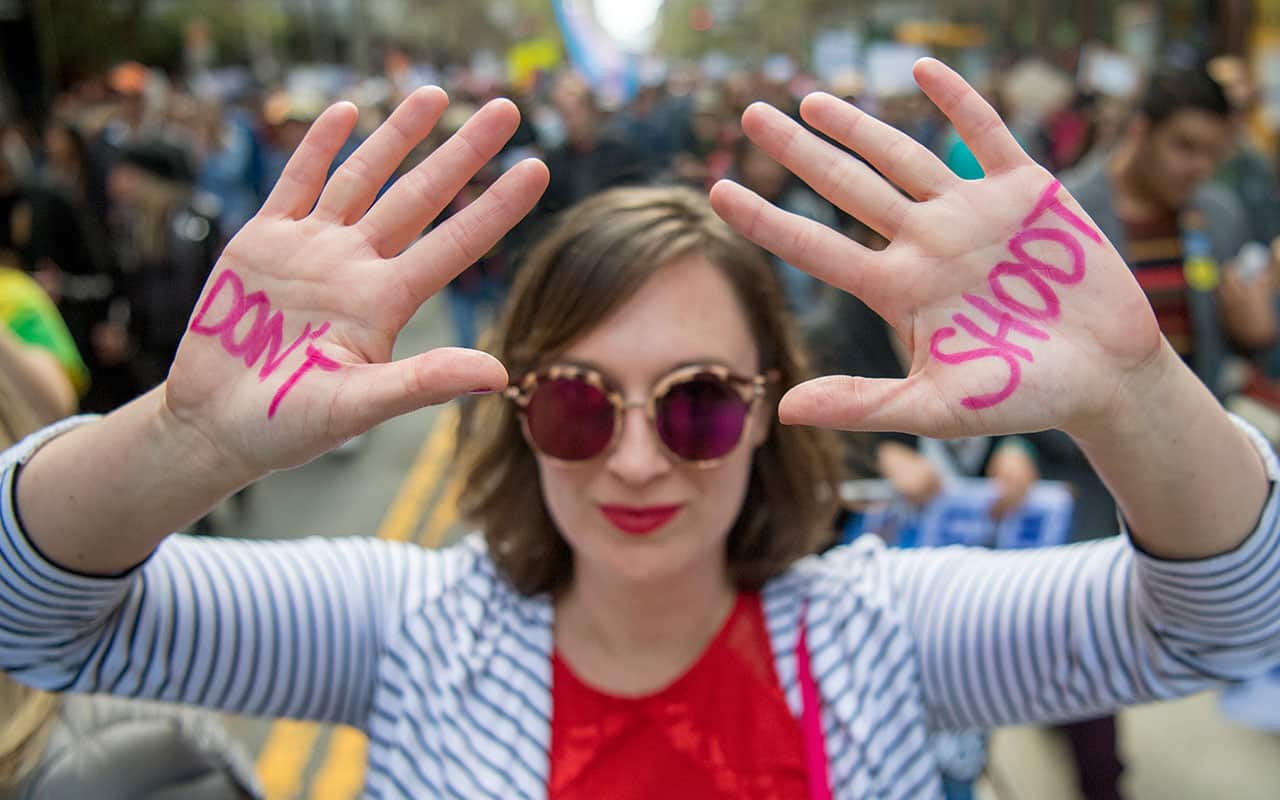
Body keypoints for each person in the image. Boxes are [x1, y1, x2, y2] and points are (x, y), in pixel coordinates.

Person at [0, 60, 1277, 800]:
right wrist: (185, 436)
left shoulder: (888, 628)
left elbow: (1223, 620)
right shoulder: (398, 627)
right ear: (513, 408)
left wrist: (1136, 386)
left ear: (774, 409)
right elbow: (37, 617)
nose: (632, 457)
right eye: (570, 399)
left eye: (700, 403)